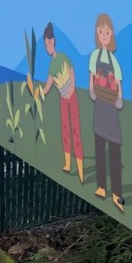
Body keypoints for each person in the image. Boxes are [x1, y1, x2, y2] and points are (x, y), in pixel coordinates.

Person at [35, 22, 84, 183]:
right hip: (63, 98)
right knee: (65, 128)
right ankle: (68, 164)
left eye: (49, 42)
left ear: (54, 41)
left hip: (72, 96)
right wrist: (40, 92)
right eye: (45, 44)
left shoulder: (62, 57)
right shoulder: (52, 65)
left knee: (75, 129)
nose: (48, 46)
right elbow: (49, 84)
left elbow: (71, 72)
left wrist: (71, 90)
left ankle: (81, 168)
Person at [88, 13, 125, 213]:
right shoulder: (95, 56)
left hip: (111, 103)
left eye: (107, 31)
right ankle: (102, 186)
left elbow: (118, 81)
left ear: (111, 34)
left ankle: (117, 192)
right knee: (99, 145)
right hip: (100, 102)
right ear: (97, 33)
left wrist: (119, 98)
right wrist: (92, 90)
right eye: (101, 31)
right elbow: (92, 75)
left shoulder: (113, 59)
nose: (104, 34)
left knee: (115, 147)